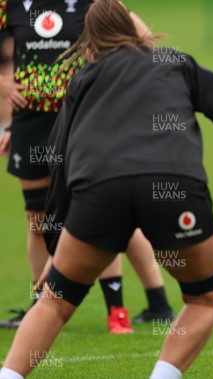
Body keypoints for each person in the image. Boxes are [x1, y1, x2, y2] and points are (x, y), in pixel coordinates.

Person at [0, 0, 213, 378]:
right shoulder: (173, 61)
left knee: (54, 303)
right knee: (205, 297)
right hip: (174, 186)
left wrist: (57, 249)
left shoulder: (82, 79)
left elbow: (59, 157)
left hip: (99, 192)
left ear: (89, 45)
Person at [0, 0, 173, 333]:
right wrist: (4, 84)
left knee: (104, 211)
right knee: (38, 221)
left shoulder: (91, 2)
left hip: (85, 118)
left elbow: (144, 37)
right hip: (31, 122)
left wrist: (118, 83)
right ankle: (40, 307)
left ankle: (130, 309)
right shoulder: (11, 5)